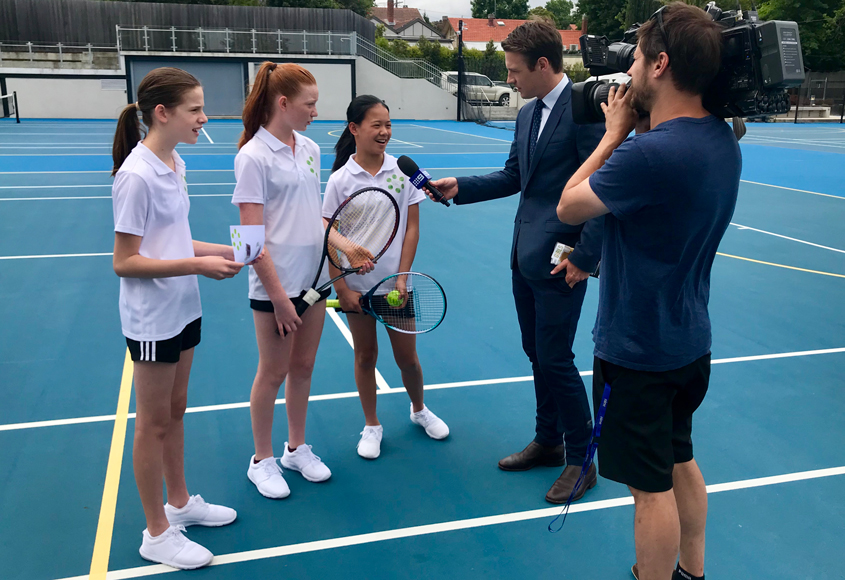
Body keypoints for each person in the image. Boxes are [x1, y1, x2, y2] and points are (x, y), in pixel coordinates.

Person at [556, 4, 741, 580]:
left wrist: (613, 133)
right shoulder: (719, 139)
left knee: (648, 488)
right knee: (680, 456)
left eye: (634, 59)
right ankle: (694, 572)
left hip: (639, 349)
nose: (627, 71)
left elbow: (570, 203)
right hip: (689, 341)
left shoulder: (649, 154)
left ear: (660, 64)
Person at [429, 21, 605, 503]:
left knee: (555, 357)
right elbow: (514, 176)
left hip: (563, 260)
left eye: (513, 71)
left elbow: (603, 190)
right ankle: (548, 440)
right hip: (525, 256)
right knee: (536, 352)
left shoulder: (586, 111)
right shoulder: (528, 114)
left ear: (543, 65)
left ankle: (580, 457)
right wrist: (460, 187)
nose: (510, 79)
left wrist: (586, 258)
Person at [111, 67, 244, 569]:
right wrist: (197, 265)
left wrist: (231, 250)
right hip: (152, 319)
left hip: (183, 306)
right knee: (152, 423)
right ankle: (156, 533)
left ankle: (181, 502)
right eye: (195, 109)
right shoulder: (136, 175)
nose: (204, 118)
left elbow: (172, 241)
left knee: (177, 409)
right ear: (162, 113)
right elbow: (125, 260)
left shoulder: (174, 162)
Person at [233, 62, 348, 498]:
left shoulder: (311, 149)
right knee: (273, 372)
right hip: (274, 290)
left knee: (303, 367)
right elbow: (248, 243)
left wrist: (341, 251)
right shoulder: (252, 157)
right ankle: (261, 460)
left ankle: (296, 448)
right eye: (310, 104)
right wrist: (279, 298)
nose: (316, 111)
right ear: (283, 104)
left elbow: (312, 218)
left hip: (313, 281)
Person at [323, 95, 449, 460]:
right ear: (354, 128)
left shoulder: (403, 172)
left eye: (388, 125)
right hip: (358, 290)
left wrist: (402, 279)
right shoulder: (340, 180)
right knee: (365, 356)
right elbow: (329, 237)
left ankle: (419, 409)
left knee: (407, 358)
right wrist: (342, 286)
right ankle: (372, 425)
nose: (384, 132)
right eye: (376, 125)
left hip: (396, 287)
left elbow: (411, 229)